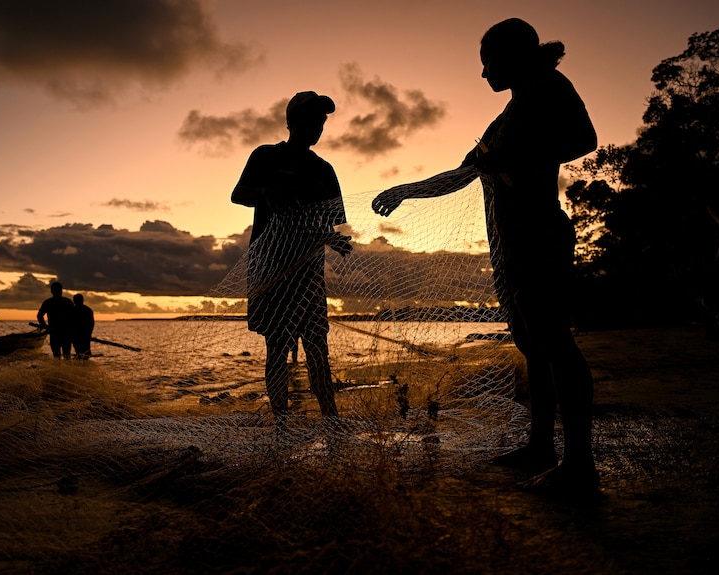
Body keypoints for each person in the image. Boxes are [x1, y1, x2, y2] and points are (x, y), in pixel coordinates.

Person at [372, 18, 599, 495]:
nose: (482, 75)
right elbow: (462, 173)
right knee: (534, 348)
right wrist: (406, 191)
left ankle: (580, 466)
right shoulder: (503, 118)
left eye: (486, 62)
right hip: (509, 244)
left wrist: (514, 160)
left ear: (512, 54)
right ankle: (540, 447)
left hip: (540, 235)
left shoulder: (549, 86)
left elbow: (584, 139)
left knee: (555, 342)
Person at [232, 90, 353, 432]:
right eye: (310, 120)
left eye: (321, 122)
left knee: (317, 346)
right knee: (278, 347)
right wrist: (267, 193)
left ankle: (331, 420)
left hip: (309, 273)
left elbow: (333, 221)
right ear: (291, 122)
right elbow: (238, 194)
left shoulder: (324, 170)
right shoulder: (265, 157)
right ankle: (281, 424)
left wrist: (338, 240)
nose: (316, 127)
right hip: (270, 269)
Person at [37, 281, 75, 359]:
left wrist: (44, 326)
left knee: (56, 356)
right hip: (65, 333)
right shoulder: (67, 302)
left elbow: (39, 316)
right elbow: (74, 317)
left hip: (55, 332)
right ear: (61, 290)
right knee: (67, 356)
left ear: (52, 291)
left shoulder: (48, 302)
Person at [71, 293, 95, 359]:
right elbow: (91, 324)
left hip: (78, 335)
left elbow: (91, 323)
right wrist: (89, 333)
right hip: (83, 335)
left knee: (80, 352)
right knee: (85, 352)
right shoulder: (88, 310)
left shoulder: (72, 310)